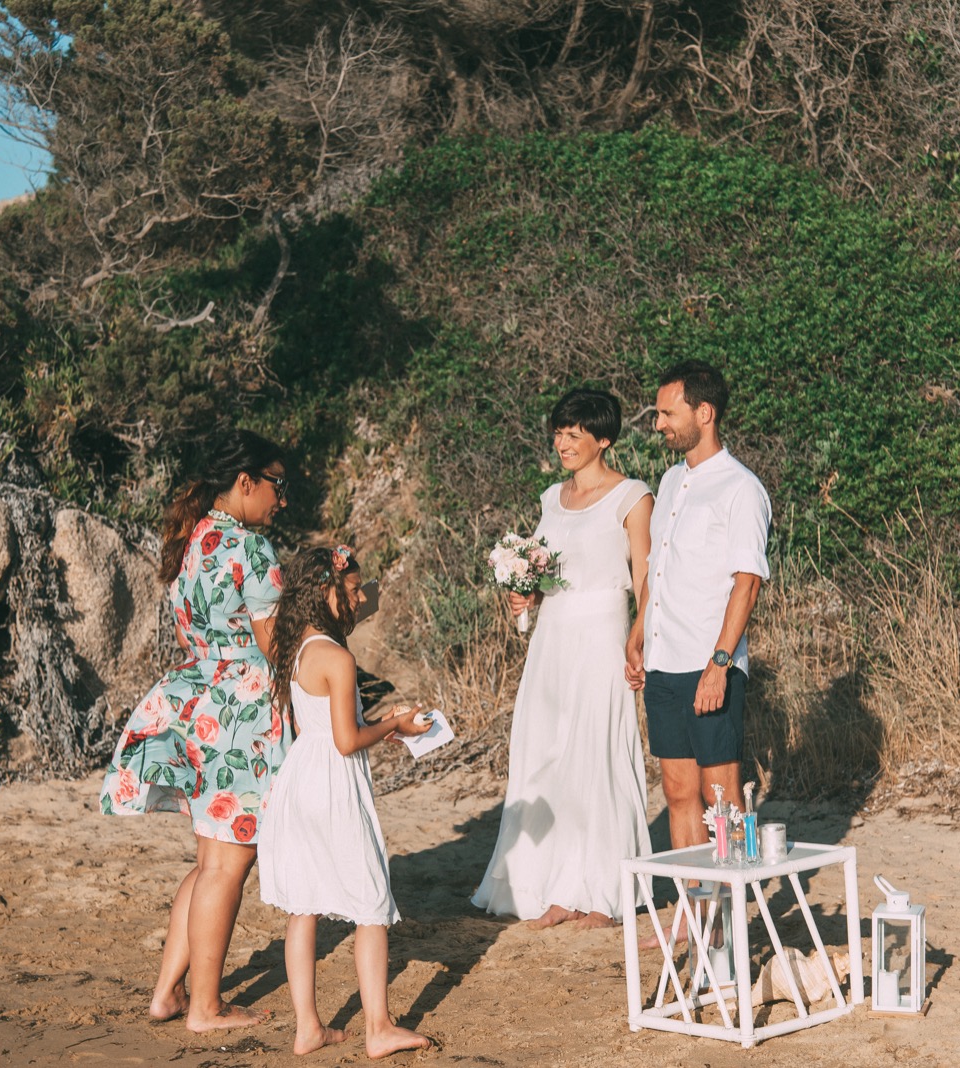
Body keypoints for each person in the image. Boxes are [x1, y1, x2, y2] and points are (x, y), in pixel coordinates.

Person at [99, 430, 290, 1032]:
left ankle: (168, 994)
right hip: (242, 714)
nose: (281, 500)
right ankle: (206, 1007)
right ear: (246, 482)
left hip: (197, 702)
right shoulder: (252, 550)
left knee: (210, 860)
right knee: (228, 867)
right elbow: (276, 649)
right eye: (276, 486)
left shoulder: (194, 540)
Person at [471, 388, 653, 929]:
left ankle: (599, 893)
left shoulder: (633, 496)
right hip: (551, 638)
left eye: (576, 433)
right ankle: (555, 887)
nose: (564, 443)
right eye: (559, 432)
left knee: (593, 756)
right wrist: (525, 594)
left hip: (601, 633)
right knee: (546, 753)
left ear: (604, 439)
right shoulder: (552, 498)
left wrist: (641, 635)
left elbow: (645, 578)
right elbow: (548, 571)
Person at [256, 545, 434, 1058]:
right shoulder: (339, 657)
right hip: (333, 785)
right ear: (326, 592)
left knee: (304, 907)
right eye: (353, 590)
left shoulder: (298, 648)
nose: (360, 598)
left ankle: (308, 1027)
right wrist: (396, 724)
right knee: (371, 900)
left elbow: (330, 729)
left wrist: (387, 729)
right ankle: (377, 1028)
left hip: (300, 782)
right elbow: (347, 741)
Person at [626, 360, 771, 859]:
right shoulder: (669, 482)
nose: (659, 423)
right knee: (678, 793)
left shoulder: (741, 488)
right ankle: (693, 918)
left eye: (668, 413)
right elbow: (657, 567)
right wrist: (638, 631)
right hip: (664, 664)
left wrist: (720, 665)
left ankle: (729, 921)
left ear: (704, 412)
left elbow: (747, 583)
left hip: (710, 664)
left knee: (723, 799)